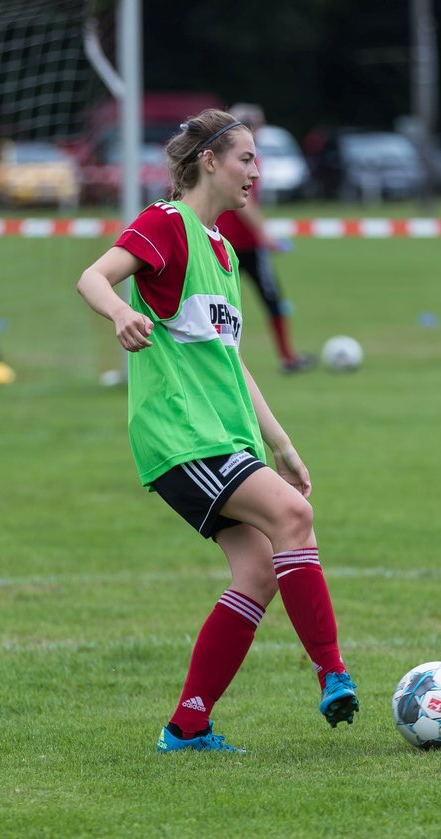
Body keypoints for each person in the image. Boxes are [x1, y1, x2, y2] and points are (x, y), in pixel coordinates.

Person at [76, 109, 358, 753]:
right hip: (181, 435)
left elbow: (232, 364)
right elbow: (92, 276)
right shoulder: (165, 225)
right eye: (246, 159)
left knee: (258, 573)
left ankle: (188, 726)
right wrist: (120, 311)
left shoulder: (223, 250)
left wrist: (283, 445)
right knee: (293, 516)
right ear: (209, 160)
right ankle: (332, 672)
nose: (256, 171)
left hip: (223, 436)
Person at [214, 103, 315, 374]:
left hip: (225, 243)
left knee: (227, 306)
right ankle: (286, 358)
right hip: (236, 245)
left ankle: (286, 357)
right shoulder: (242, 160)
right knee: (262, 303)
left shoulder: (232, 158)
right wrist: (264, 234)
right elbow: (246, 203)